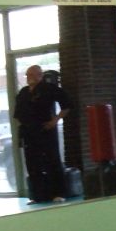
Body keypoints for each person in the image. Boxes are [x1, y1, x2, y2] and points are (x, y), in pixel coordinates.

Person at [14, 65, 72, 204]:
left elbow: (67, 105)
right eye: (28, 75)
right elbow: (17, 114)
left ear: (39, 75)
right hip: (29, 132)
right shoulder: (23, 92)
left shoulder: (49, 89)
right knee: (33, 164)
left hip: (45, 129)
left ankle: (59, 193)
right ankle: (38, 195)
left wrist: (55, 120)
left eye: (32, 75)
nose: (29, 78)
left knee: (52, 160)